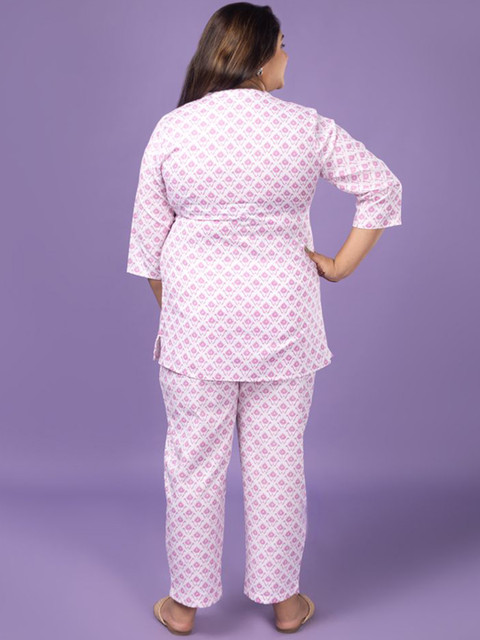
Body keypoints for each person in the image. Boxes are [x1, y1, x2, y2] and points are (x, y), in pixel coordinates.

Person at [126, 2, 402, 634]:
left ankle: (184, 606)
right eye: (281, 45)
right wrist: (339, 266)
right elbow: (382, 185)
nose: (287, 56)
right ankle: (284, 602)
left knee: (193, 463)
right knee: (278, 465)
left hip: (197, 329)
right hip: (284, 325)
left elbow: (148, 247)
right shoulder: (304, 127)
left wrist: (186, 313)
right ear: (254, 55)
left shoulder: (173, 130)